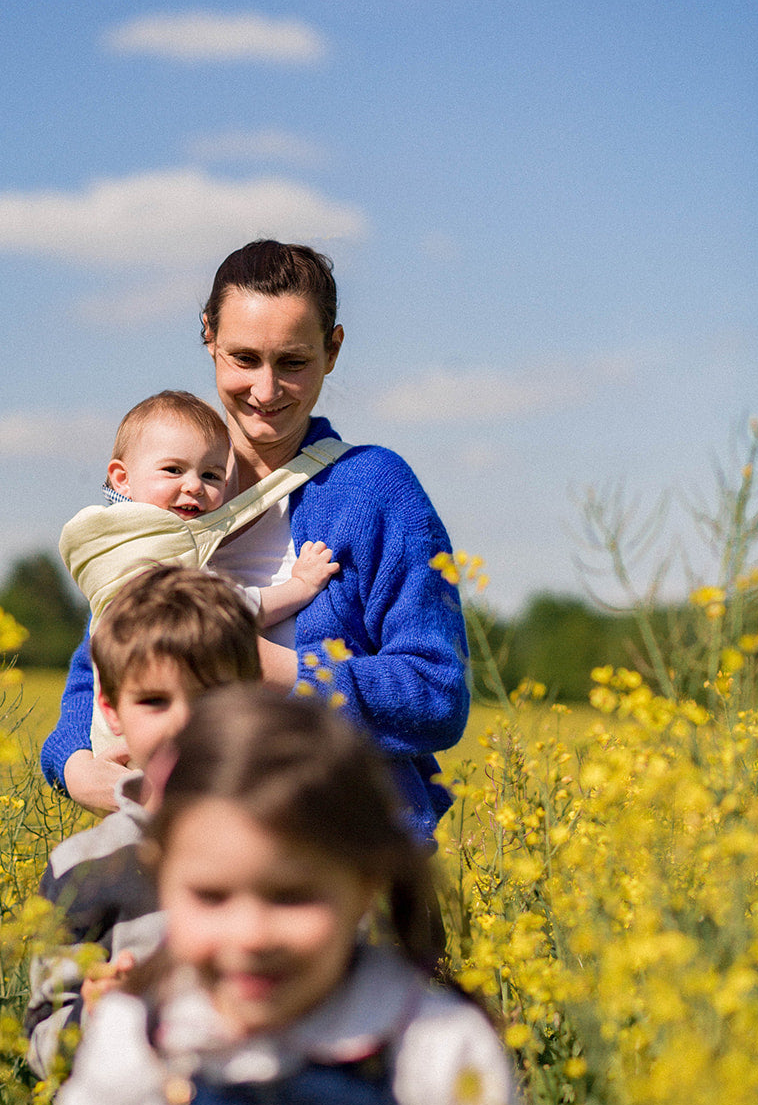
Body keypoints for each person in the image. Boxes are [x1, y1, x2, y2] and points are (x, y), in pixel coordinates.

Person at [32, 686, 557, 1105]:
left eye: (291, 897)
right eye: (211, 897)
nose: (250, 938)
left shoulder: (432, 1041)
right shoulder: (144, 1030)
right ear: (160, 875)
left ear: (364, 884)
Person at [43, 239, 469, 843]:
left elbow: (437, 693)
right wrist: (72, 766)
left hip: (338, 856)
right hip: (184, 866)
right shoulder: (163, 485)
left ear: (333, 349)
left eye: (292, 362)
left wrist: (266, 668)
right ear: (209, 339)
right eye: (243, 358)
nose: (265, 391)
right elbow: (102, 662)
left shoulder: (376, 489)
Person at [24, 566, 262, 1079]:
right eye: (154, 701)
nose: (182, 724)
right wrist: (94, 1010)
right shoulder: (81, 866)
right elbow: (44, 1044)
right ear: (110, 709)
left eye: (208, 699)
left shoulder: (288, 852)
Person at [60, 388, 340, 757]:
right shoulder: (146, 543)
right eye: (173, 470)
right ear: (121, 478)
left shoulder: (109, 536)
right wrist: (300, 586)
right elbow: (226, 610)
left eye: (211, 474)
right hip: (147, 735)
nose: (194, 485)